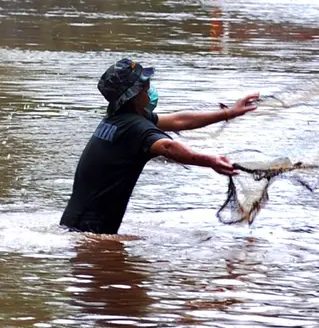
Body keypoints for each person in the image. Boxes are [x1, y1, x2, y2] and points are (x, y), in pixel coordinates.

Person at [60, 58, 260, 235]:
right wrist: (210, 161)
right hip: (90, 231)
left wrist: (228, 113)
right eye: (145, 85)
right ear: (134, 94)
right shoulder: (135, 127)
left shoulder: (119, 119)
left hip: (76, 226)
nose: (149, 88)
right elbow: (167, 147)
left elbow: (179, 121)